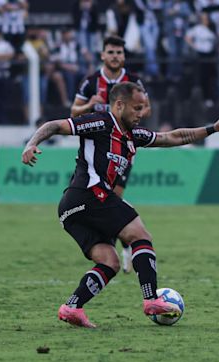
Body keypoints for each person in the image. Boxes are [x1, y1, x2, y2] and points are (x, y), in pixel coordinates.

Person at [22, 82, 219, 328]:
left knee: (109, 262)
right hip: (89, 194)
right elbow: (54, 126)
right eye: (136, 108)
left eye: (143, 108)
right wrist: (31, 143)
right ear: (119, 105)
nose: (141, 113)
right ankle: (150, 299)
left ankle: (72, 307)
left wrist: (212, 129)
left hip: (70, 208)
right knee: (140, 235)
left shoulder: (134, 135)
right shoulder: (101, 122)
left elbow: (173, 136)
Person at [71, 35, 149, 273]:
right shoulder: (91, 82)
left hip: (121, 151)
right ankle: (118, 251)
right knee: (106, 198)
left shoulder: (133, 82)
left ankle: (120, 250)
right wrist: (89, 105)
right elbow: (74, 112)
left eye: (119, 53)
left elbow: (146, 107)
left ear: (124, 56)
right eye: (111, 52)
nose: (115, 56)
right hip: (96, 152)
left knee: (113, 196)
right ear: (103, 55)